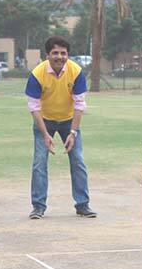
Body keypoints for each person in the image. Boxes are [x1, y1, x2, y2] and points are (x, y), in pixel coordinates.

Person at [25, 36, 96, 219]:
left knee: (78, 160)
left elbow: (80, 104)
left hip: (68, 120)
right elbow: (34, 107)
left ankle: (83, 205)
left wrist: (73, 132)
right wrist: (45, 134)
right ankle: (38, 206)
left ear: (68, 55)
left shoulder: (76, 71)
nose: (59, 57)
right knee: (39, 163)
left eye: (63, 53)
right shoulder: (37, 74)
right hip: (45, 120)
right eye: (55, 53)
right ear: (47, 55)